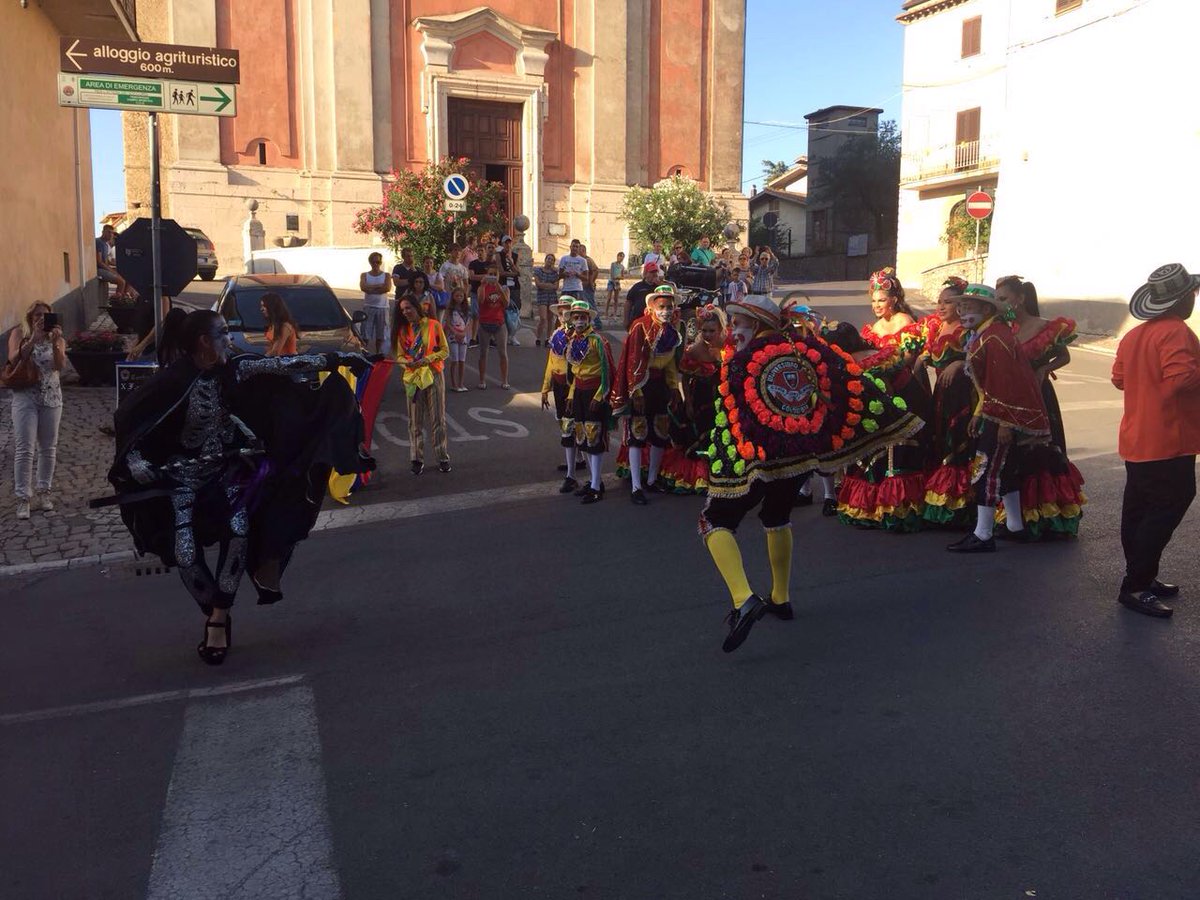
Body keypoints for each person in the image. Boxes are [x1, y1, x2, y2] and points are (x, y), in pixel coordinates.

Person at [106, 310, 374, 664]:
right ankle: (212, 607)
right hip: (182, 480)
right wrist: (137, 463)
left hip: (227, 474)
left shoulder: (233, 368)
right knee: (184, 551)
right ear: (204, 341)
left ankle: (218, 617)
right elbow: (132, 423)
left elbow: (283, 365)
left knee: (239, 529)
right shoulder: (172, 381)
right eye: (222, 334)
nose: (229, 340)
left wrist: (338, 358)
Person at [699, 294, 920, 652]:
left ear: (756, 324)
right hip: (800, 458)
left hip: (760, 460)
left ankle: (743, 599)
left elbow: (736, 420)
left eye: (738, 324)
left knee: (713, 521)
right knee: (776, 516)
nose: (733, 332)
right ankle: (780, 597)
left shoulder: (742, 362)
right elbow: (846, 378)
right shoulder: (807, 350)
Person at [1111, 263, 1200, 618]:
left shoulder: (1134, 336)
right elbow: (1182, 379)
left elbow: (1118, 379)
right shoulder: (1177, 332)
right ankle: (1136, 584)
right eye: (1191, 295)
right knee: (1168, 506)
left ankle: (1142, 576)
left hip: (1137, 437)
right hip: (1169, 437)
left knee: (1138, 509)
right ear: (1181, 301)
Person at [945, 284, 1050, 552]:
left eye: (968, 306)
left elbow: (1005, 383)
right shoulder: (990, 334)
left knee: (986, 469)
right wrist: (979, 413)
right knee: (1007, 469)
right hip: (995, 411)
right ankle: (1015, 526)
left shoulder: (994, 338)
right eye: (961, 306)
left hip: (1001, 415)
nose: (962, 311)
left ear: (986, 309)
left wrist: (1003, 422)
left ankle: (983, 534)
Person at [836, 269, 932, 531]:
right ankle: (874, 498)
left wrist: (889, 373)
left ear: (894, 299)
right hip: (879, 389)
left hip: (904, 385)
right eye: (874, 301)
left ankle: (899, 500)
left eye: (882, 300)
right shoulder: (871, 329)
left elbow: (909, 359)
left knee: (901, 442)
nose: (877, 305)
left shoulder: (904, 321)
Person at [998, 275, 1086, 539]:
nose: (1001, 304)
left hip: (1039, 395)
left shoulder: (1045, 326)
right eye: (998, 299)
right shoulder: (1005, 329)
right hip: (1013, 397)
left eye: (1004, 298)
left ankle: (1047, 516)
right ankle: (1017, 516)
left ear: (1020, 298)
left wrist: (1045, 369)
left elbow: (1064, 355)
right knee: (1013, 453)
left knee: (1041, 452)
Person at [615, 284, 682, 504]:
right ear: (652, 307)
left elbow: (670, 363)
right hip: (641, 385)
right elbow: (633, 360)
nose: (666, 311)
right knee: (638, 434)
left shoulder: (672, 332)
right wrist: (636, 391)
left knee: (660, 433)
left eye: (669, 307)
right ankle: (636, 486)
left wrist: (673, 387)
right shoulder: (640, 326)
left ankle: (652, 480)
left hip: (660, 386)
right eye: (662, 306)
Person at [920, 277, 975, 529]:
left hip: (962, 394)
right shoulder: (935, 327)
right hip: (941, 393)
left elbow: (978, 357)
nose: (941, 306)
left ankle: (960, 505)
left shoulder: (966, 329)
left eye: (948, 302)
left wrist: (960, 363)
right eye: (939, 302)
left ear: (960, 305)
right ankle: (940, 500)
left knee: (958, 443)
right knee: (940, 441)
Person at [7, 301, 65, 519]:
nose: (41, 319)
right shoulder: (19, 334)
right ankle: (23, 498)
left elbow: (59, 366)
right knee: (24, 449)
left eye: (45, 315)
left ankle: (44, 492)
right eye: (37, 315)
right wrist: (33, 339)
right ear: (30, 317)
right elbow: (14, 359)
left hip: (52, 397)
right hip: (25, 398)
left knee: (48, 448)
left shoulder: (57, 337)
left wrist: (57, 343)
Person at [563, 299, 617, 504]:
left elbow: (607, 371)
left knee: (594, 438)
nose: (579, 321)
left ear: (589, 319)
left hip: (594, 392)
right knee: (582, 437)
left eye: (583, 317)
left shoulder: (598, 341)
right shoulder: (572, 340)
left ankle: (595, 487)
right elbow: (574, 372)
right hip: (579, 392)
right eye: (576, 317)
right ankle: (595, 480)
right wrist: (571, 395)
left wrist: (599, 396)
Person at [394, 294, 451, 474]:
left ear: (416, 307)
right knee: (415, 420)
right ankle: (416, 459)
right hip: (414, 378)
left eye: (408, 308)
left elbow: (445, 351)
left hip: (433, 374)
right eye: (402, 310)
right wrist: (406, 363)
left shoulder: (434, 325)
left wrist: (428, 359)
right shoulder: (402, 331)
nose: (406, 312)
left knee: (438, 418)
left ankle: (442, 456)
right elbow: (399, 355)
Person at [541, 298, 579, 492]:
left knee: (570, 424)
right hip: (558, 384)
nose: (563, 316)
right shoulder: (556, 333)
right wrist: (545, 387)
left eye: (567, 312)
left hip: (571, 384)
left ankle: (572, 473)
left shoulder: (578, 336)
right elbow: (552, 361)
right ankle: (576, 458)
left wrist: (572, 391)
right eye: (561, 312)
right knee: (562, 421)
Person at [476, 262, 510, 389]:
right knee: (483, 353)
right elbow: (480, 301)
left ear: (498, 275)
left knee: (503, 353)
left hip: (499, 323)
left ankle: (504, 380)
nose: (492, 277)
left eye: (495, 274)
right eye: (490, 274)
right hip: (484, 322)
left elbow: (506, 304)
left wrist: (498, 288)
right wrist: (483, 285)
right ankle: (482, 380)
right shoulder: (482, 287)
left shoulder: (504, 288)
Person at [359, 252, 393, 355]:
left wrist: (370, 288)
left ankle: (378, 354)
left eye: (378, 262)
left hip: (383, 307)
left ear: (380, 262)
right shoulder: (364, 275)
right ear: (370, 262)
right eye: (373, 262)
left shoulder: (386, 275)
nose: (376, 264)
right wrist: (379, 286)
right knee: (365, 333)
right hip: (368, 307)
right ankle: (365, 353)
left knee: (381, 334)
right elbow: (363, 287)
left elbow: (386, 288)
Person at [96, 225, 138, 300]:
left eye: (112, 233)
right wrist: (112, 271)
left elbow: (107, 261)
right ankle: (117, 301)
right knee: (121, 281)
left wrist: (118, 265)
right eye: (109, 232)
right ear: (103, 232)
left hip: (105, 268)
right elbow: (99, 262)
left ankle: (125, 298)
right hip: (99, 270)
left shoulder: (105, 245)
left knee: (128, 276)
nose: (110, 235)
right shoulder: (98, 242)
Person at [442, 287, 471, 392]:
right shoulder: (450, 309)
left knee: (462, 360)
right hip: (453, 336)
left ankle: (461, 383)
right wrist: (455, 332)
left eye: (461, 296)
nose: (459, 298)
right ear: (453, 297)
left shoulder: (467, 309)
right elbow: (448, 323)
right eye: (457, 296)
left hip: (463, 336)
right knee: (455, 359)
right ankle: (454, 384)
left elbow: (469, 322)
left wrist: (464, 333)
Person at [468, 240, 497, 347]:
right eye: (478, 251)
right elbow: (472, 276)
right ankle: (473, 338)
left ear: (485, 252)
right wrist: (485, 276)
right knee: (475, 314)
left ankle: (490, 338)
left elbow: (494, 277)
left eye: (482, 250)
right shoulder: (473, 264)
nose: (480, 253)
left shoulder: (490, 264)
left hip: (488, 292)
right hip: (475, 292)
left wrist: (484, 277)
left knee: (489, 315)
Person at [623, 262, 663, 329]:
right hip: (638, 319)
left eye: (656, 272)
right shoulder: (638, 286)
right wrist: (626, 319)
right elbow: (628, 302)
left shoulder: (660, 287)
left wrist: (660, 285)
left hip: (655, 321)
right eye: (651, 272)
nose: (654, 274)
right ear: (645, 274)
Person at [533, 253, 561, 347]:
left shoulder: (555, 273)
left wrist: (545, 284)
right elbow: (538, 284)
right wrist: (549, 285)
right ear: (545, 260)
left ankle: (548, 339)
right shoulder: (538, 271)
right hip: (542, 296)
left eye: (552, 260)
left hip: (552, 296)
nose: (550, 261)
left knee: (550, 319)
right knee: (543, 318)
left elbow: (556, 287)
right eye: (548, 259)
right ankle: (538, 337)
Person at [261, 291, 300, 356]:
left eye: (264, 306)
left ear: (272, 307)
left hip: (286, 361)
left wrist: (259, 359)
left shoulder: (285, 326)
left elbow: (275, 352)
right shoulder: (273, 325)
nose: (261, 309)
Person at [605, 252, 627, 321]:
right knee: (609, 298)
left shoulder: (622, 267)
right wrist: (614, 280)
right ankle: (606, 313)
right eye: (620, 256)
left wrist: (619, 278)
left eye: (622, 257)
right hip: (611, 282)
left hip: (617, 282)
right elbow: (611, 274)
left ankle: (615, 314)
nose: (621, 258)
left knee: (616, 299)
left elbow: (623, 276)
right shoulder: (613, 264)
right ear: (617, 256)